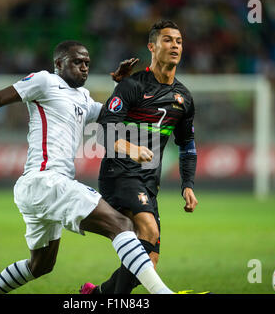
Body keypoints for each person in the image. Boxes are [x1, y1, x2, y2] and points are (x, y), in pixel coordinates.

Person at [0, 40, 176, 294]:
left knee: (40, 266)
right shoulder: (45, 81)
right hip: (46, 181)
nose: (84, 67)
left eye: (87, 62)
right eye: (77, 62)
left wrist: (123, 84)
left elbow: (115, 112)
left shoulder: (83, 98)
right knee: (122, 226)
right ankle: (162, 291)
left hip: (40, 190)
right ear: (59, 64)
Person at [80, 20, 202, 294]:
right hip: (119, 173)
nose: (175, 46)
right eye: (168, 40)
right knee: (148, 232)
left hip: (149, 181)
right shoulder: (131, 86)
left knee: (149, 261)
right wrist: (132, 149)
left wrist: (188, 184)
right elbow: (102, 133)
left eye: (179, 41)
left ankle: (97, 294)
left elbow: (187, 145)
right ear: (152, 46)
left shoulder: (184, 97)